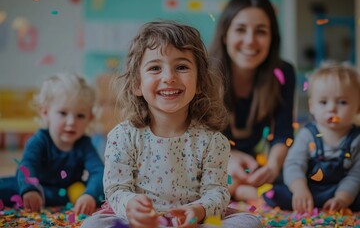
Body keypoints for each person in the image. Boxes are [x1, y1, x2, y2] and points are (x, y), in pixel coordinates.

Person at [81, 21, 262, 228]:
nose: (169, 77)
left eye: (182, 67)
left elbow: (216, 191)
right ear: (137, 84)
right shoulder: (122, 137)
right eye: (155, 68)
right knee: (92, 225)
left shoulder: (213, 141)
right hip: (137, 222)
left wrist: (197, 210)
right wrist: (131, 206)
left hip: (193, 222)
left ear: (201, 82)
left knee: (249, 222)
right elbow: (116, 188)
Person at [208, 0, 296, 201]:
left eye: (261, 31)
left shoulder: (283, 72)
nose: (250, 41)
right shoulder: (203, 73)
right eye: (240, 29)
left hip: (254, 166)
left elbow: (283, 133)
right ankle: (238, 191)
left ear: (271, 38)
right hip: (209, 164)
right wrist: (227, 157)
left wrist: (273, 167)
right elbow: (191, 137)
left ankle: (239, 190)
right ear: (225, 34)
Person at [0, 73, 104, 215]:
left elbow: (99, 171)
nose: (71, 122)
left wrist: (89, 195)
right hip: (37, 188)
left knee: (102, 190)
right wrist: (30, 189)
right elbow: (26, 166)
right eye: (63, 113)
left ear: (89, 118)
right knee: (10, 186)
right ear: (45, 112)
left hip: (67, 192)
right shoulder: (39, 140)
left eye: (80, 115)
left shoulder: (84, 144)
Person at [263, 64, 360, 213]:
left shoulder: (356, 139)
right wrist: (299, 189)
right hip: (308, 190)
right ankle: (249, 192)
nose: (331, 108)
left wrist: (343, 198)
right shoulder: (307, 134)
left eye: (342, 102)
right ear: (312, 106)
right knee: (275, 193)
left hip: (340, 191)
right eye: (323, 102)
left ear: (358, 107)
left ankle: (338, 202)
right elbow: (294, 164)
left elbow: (356, 174)